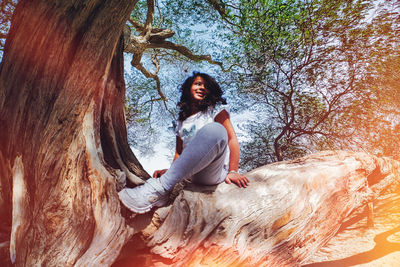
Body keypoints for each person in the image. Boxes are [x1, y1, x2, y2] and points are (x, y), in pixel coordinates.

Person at [118, 72, 249, 213]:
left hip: (211, 172)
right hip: (188, 174)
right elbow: (179, 152)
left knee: (216, 130)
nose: (202, 88)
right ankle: (160, 191)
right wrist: (172, 170)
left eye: (206, 86)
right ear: (188, 88)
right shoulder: (180, 122)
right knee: (180, 166)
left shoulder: (215, 110)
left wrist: (233, 170)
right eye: (198, 84)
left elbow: (232, 139)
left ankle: (156, 188)